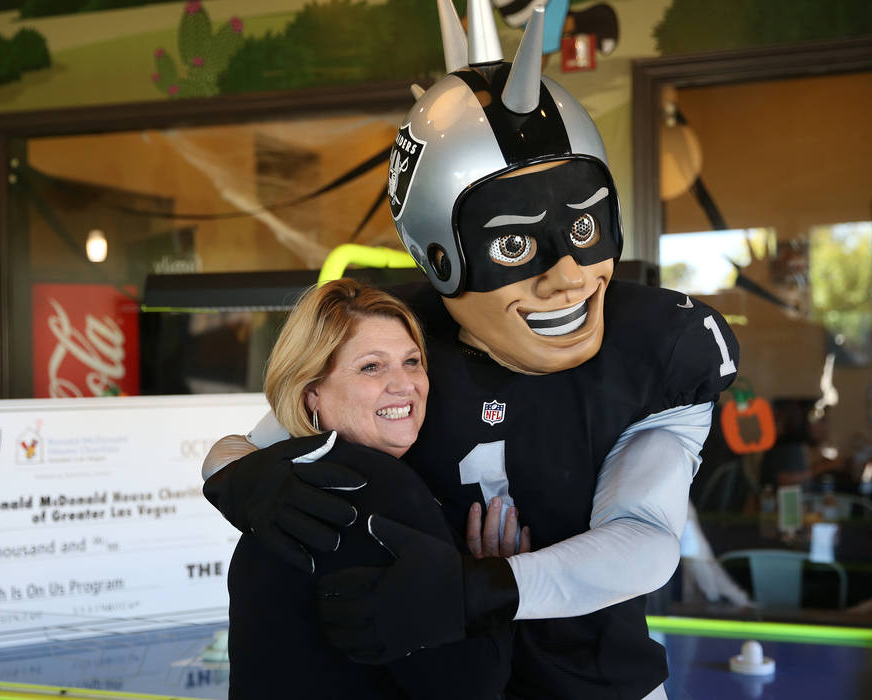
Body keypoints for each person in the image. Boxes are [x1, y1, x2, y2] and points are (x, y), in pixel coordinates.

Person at [204, 2, 739, 698]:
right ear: (439, 256)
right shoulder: (398, 336)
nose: (568, 276)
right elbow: (259, 444)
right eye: (514, 243)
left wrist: (480, 588)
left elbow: (645, 539)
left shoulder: (660, 347)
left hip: (597, 683)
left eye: (583, 227)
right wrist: (237, 477)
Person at [208, 278, 521, 700]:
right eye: (371, 367)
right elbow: (466, 684)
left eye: (412, 361)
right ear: (312, 390)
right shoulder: (376, 487)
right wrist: (489, 585)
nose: (404, 384)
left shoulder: (283, 477)